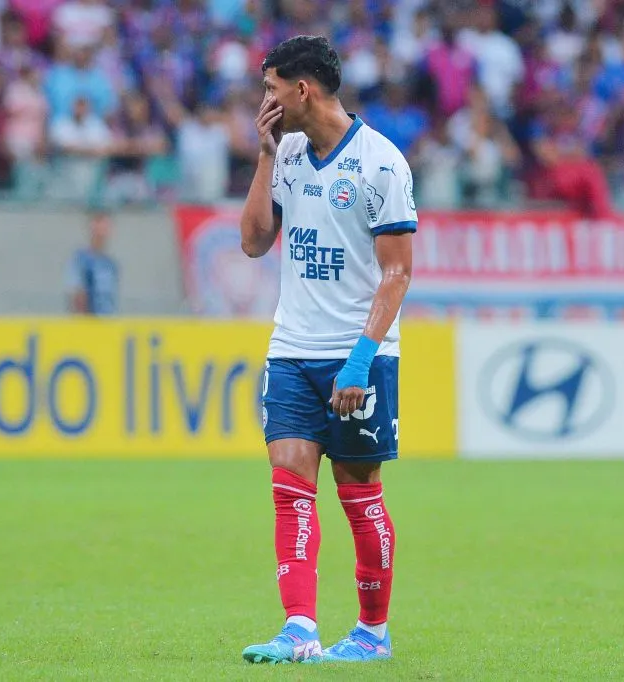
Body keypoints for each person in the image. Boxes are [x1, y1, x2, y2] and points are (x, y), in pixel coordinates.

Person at [238, 35, 417, 664]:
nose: (265, 99)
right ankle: (300, 629)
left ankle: (372, 631)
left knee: (358, 491)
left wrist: (361, 361)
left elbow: (397, 273)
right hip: (291, 348)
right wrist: (263, 157)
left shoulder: (381, 163)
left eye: (270, 88)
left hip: (357, 353)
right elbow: (256, 242)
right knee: (289, 487)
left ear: (301, 90)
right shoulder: (284, 152)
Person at [65, 212, 119, 315]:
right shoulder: (81, 259)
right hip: (89, 324)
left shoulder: (110, 264)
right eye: (98, 227)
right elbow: (77, 295)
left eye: (105, 227)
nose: (102, 231)